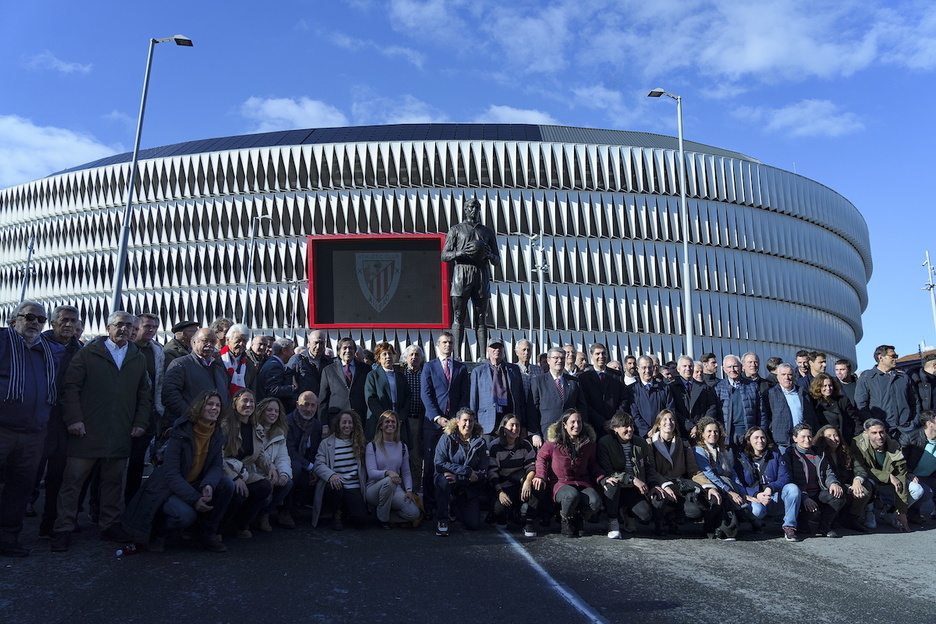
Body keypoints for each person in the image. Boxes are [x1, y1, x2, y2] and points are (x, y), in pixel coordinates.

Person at [51, 311, 152, 552]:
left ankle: (109, 525)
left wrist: (140, 422)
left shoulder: (137, 357)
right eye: (119, 325)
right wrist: (74, 419)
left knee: (113, 482)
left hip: (120, 431)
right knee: (72, 482)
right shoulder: (89, 353)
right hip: (86, 431)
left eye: (129, 326)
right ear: (108, 327)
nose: (124, 329)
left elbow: (144, 394)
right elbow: (70, 387)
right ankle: (63, 528)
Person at [121, 391, 233, 552]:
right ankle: (159, 533)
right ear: (199, 407)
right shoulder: (181, 431)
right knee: (186, 515)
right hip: (167, 489)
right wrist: (196, 498)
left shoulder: (216, 432)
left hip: (195, 483)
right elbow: (171, 474)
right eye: (209, 404)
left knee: (226, 484)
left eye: (217, 405)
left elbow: (216, 465)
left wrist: (208, 484)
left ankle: (207, 533)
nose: (214, 408)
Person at [0, 302, 63, 557]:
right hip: (2, 428)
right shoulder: (3, 342)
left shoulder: (50, 351)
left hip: (34, 433)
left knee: (21, 487)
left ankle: (7, 539)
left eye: (40, 319)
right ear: (14, 320)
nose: (35, 322)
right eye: (29, 317)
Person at [33, 305, 79, 540]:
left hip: (64, 423)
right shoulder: (37, 345)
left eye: (73, 321)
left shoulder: (80, 350)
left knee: (58, 477)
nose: (69, 325)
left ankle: (48, 524)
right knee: (27, 474)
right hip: (38, 420)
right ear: (53, 322)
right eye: (64, 320)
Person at [646, 410, 722, 538]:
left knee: (695, 511)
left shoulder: (684, 444)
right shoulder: (650, 444)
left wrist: (709, 486)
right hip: (661, 483)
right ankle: (662, 521)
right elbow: (651, 470)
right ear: (658, 424)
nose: (668, 422)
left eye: (671, 419)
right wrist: (665, 485)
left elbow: (694, 471)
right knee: (659, 499)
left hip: (680, 485)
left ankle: (674, 516)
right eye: (664, 419)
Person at [441, 197, 499, 358]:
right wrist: (460, 253)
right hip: (461, 273)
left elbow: (497, 260)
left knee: (481, 316)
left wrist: (489, 255)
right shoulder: (456, 229)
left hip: (481, 273)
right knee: (459, 315)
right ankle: (457, 355)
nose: (473, 209)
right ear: (465, 209)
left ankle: (481, 356)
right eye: (470, 206)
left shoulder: (487, 232)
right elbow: (444, 255)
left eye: (476, 207)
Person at [420, 331, 470, 515]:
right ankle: (430, 507)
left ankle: (452, 507)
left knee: (454, 463)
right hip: (433, 425)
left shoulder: (461, 368)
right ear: (437, 345)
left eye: (450, 342)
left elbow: (465, 394)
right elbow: (426, 394)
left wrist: (459, 418)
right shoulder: (429, 367)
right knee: (431, 465)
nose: (448, 345)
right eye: (444, 342)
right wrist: (436, 417)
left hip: (455, 424)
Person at [533, 409, 603, 538]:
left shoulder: (588, 442)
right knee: (571, 496)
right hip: (560, 483)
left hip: (582, 482)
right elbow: (541, 458)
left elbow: (593, 464)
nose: (576, 425)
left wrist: (603, 478)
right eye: (573, 422)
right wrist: (540, 476)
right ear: (564, 424)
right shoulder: (553, 442)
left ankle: (578, 518)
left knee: (595, 502)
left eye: (579, 422)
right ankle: (566, 519)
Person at [598, 412, 663, 538]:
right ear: (615, 429)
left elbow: (649, 467)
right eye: (625, 426)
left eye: (631, 426)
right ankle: (613, 521)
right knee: (611, 485)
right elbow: (608, 470)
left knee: (645, 514)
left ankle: (628, 513)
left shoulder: (640, 443)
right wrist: (632, 479)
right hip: (617, 486)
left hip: (633, 489)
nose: (630, 429)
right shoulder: (605, 443)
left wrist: (653, 484)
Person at [220, 389, 273, 538]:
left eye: (252, 402)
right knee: (238, 492)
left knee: (264, 487)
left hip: (244, 471)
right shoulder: (225, 426)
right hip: (225, 471)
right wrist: (234, 478)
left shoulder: (256, 427)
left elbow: (259, 454)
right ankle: (217, 528)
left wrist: (271, 468)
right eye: (245, 400)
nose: (248, 404)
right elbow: (218, 457)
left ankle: (239, 525)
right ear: (235, 402)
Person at [161, 328, 230, 437]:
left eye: (212, 342)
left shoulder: (219, 368)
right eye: (205, 341)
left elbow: (224, 395)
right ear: (193, 343)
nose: (209, 345)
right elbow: (170, 395)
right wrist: (192, 416)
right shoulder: (180, 364)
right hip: (186, 429)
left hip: (211, 429)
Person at [734, 426, 800, 541]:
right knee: (757, 511)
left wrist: (770, 488)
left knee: (793, 489)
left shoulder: (775, 454)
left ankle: (789, 526)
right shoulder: (741, 458)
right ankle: (756, 523)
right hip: (755, 498)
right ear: (749, 440)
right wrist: (755, 494)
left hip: (773, 496)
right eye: (756, 438)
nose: (760, 441)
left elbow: (785, 477)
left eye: (763, 437)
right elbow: (739, 483)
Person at [850, 418, 916, 532]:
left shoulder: (893, 445)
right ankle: (868, 512)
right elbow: (861, 469)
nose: (879, 436)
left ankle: (892, 513)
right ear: (866, 433)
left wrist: (902, 511)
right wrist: (888, 476)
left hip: (888, 484)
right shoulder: (857, 443)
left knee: (918, 490)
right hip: (870, 479)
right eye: (874, 433)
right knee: (865, 485)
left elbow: (901, 474)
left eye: (881, 432)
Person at [126, 311, 164, 503]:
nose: (151, 330)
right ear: (136, 327)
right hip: (124, 412)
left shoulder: (157, 350)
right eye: (147, 326)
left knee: (137, 461)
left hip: (147, 413)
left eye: (154, 327)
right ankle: (97, 504)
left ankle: (130, 501)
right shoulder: (127, 348)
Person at [433, 408, 489, 536]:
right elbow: (439, 464)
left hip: (467, 486)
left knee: (473, 525)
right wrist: (467, 471)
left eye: (471, 421)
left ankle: (455, 508)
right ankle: (442, 520)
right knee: (443, 480)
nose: (468, 424)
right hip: (448, 481)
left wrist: (460, 478)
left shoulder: (480, 442)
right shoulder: (446, 438)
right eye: (465, 420)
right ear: (457, 422)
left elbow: (483, 471)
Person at [784, 423, 845, 538]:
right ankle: (802, 522)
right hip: (800, 496)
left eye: (809, 437)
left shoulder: (819, 453)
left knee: (838, 495)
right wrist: (804, 496)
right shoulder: (790, 455)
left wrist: (833, 483)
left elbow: (828, 472)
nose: (807, 440)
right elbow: (788, 479)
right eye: (803, 437)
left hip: (818, 492)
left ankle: (823, 527)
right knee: (811, 513)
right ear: (795, 438)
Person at [312, 409, 368, 530]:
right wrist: (331, 475)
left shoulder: (360, 443)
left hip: (353, 486)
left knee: (360, 521)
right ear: (338, 424)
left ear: (354, 425)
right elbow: (319, 464)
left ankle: (346, 510)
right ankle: (336, 515)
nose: (347, 425)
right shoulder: (326, 443)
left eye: (350, 422)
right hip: (335, 484)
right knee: (335, 487)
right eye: (344, 422)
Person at [693, 416, 746, 540]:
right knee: (721, 495)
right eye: (709, 431)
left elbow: (732, 473)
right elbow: (709, 474)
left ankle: (728, 526)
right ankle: (722, 528)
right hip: (707, 484)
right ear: (702, 434)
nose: (713, 434)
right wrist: (729, 491)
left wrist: (742, 492)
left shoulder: (722, 451)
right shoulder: (699, 450)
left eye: (716, 431)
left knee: (729, 481)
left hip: (725, 484)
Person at [365, 411, 420, 528]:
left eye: (393, 422)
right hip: (374, 490)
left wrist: (409, 490)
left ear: (397, 425)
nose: (390, 424)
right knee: (389, 481)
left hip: (395, 489)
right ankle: (383, 520)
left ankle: (382, 515)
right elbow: (371, 473)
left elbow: (406, 472)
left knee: (414, 513)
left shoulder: (402, 447)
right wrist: (387, 473)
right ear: (380, 425)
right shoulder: (372, 446)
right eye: (387, 421)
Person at [813, 425, 872, 532]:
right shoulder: (819, 454)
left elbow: (860, 469)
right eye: (829, 436)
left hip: (844, 484)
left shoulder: (846, 452)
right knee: (840, 492)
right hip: (827, 487)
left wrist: (857, 480)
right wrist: (847, 488)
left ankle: (852, 518)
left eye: (836, 435)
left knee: (866, 487)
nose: (834, 439)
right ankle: (832, 520)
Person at [488, 413, 538, 537]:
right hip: (502, 487)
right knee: (500, 510)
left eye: (517, 425)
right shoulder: (495, 446)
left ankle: (528, 520)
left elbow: (532, 466)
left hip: (520, 484)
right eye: (512, 425)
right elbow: (492, 472)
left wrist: (528, 481)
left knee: (537, 485)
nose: (515, 428)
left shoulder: (525, 445)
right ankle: (503, 514)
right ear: (503, 428)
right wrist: (500, 492)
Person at [855, 345, 916, 444]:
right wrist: (873, 426)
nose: (895, 358)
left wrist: (913, 423)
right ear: (880, 357)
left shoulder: (903, 378)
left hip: (906, 430)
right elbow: (861, 405)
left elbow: (915, 402)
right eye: (892, 356)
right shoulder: (867, 378)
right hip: (883, 433)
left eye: (896, 356)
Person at [531, 347, 588, 446]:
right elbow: (532, 409)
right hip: (546, 433)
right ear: (548, 360)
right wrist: (534, 433)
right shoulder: (538, 381)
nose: (559, 361)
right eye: (556, 358)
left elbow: (582, 408)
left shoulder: (574, 382)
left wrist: (582, 429)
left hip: (570, 434)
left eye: (562, 358)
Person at [469, 339, 527, 434]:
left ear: (504, 350)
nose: (497, 350)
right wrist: (473, 423)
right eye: (493, 347)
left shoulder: (514, 370)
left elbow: (521, 398)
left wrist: (523, 423)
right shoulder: (478, 372)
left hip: (510, 419)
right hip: (486, 421)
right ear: (488, 350)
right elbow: (473, 400)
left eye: (499, 347)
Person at [254, 398, 293, 532]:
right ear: (262, 411)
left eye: (276, 411)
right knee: (265, 491)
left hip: (272, 474)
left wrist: (284, 474)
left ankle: (265, 514)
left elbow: (283, 457)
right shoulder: (254, 429)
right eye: (269, 410)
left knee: (287, 483)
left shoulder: (279, 433)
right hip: (255, 473)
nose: (273, 413)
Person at [284, 391, 323, 523]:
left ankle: (297, 507)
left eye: (313, 406)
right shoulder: (287, 422)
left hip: (307, 464)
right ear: (297, 405)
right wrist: (310, 467)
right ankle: (285, 510)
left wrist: (315, 469)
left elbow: (316, 451)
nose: (309, 409)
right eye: (305, 405)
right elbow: (289, 450)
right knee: (295, 468)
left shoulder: (317, 425)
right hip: (288, 463)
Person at [712, 354, 763, 449]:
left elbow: (761, 412)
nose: (732, 369)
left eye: (735, 366)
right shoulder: (717, 388)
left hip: (749, 434)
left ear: (741, 367)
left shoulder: (752, 386)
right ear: (724, 369)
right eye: (729, 367)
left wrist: (761, 431)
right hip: (727, 436)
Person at [763, 363, 816, 451]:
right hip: (782, 442)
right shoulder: (770, 394)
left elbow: (812, 415)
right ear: (778, 377)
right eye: (783, 374)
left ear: (794, 377)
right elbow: (766, 416)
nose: (787, 377)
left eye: (790, 374)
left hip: (802, 441)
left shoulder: (803, 393)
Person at [364, 342, 411, 442]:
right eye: (384, 354)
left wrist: (400, 417)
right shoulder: (372, 375)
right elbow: (371, 399)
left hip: (398, 421)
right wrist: (384, 418)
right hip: (378, 421)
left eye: (390, 353)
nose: (387, 357)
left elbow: (408, 397)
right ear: (378, 358)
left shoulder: (401, 376)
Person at [578, 343, 628, 434]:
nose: (601, 356)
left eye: (603, 353)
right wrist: (602, 422)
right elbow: (585, 403)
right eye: (597, 354)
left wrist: (615, 420)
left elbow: (624, 399)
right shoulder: (583, 378)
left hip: (615, 426)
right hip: (594, 426)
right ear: (591, 356)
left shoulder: (617, 375)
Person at [318, 337, 368, 422]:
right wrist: (324, 424)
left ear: (355, 351)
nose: (348, 351)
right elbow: (323, 400)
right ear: (339, 351)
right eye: (344, 348)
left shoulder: (365, 369)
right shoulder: (328, 370)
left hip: (359, 418)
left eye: (351, 348)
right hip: (336, 418)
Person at [669, 356, 718, 439]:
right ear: (678, 369)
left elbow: (711, 407)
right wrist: (690, 426)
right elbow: (672, 410)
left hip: (700, 432)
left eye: (690, 366)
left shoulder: (704, 388)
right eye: (684, 366)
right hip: (680, 432)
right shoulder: (671, 388)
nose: (688, 368)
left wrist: (700, 426)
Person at [400, 344, 425, 492]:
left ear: (421, 358)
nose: (414, 357)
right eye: (411, 355)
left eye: (417, 355)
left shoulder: (426, 374)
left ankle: (414, 492)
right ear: (406, 357)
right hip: (404, 420)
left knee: (416, 458)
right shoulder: (401, 374)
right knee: (402, 457)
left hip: (420, 420)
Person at [630, 355, 675, 437]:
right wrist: (646, 431)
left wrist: (659, 428)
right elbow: (634, 414)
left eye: (650, 367)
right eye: (644, 368)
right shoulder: (632, 390)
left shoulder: (664, 388)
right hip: (641, 436)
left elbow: (669, 410)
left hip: (662, 433)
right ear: (637, 369)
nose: (647, 371)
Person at [903, 409, 936, 521]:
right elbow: (898, 462)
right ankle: (905, 510)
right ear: (929, 424)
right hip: (911, 476)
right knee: (925, 492)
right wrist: (908, 473)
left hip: (930, 476)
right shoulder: (911, 438)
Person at [809, 373, 859, 442]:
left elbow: (854, 420)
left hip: (843, 440)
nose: (828, 388)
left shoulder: (843, 401)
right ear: (818, 387)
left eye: (830, 385)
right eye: (824, 386)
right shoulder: (813, 403)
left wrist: (856, 438)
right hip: (822, 442)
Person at [287, 329, 333, 398]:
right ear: (309, 342)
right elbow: (289, 382)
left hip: (322, 403)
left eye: (321, 343)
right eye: (316, 343)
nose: (318, 346)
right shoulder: (298, 359)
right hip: (303, 404)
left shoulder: (328, 361)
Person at [257, 338, 296, 412]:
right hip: (268, 410)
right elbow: (272, 390)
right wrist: (292, 388)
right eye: (292, 349)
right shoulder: (275, 366)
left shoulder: (273, 363)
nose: (293, 353)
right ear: (284, 350)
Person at [219, 323, 257, 398]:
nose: (241, 344)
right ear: (228, 340)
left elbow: (252, 388)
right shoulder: (217, 360)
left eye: (244, 341)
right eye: (238, 340)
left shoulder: (249, 365)